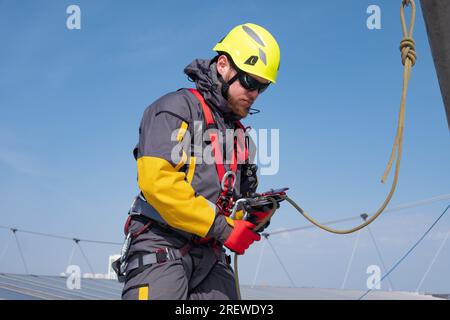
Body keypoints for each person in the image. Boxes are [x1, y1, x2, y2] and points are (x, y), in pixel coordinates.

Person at [117, 22, 281, 300]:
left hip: (210, 253)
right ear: (223, 65)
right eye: (249, 81)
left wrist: (253, 217)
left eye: (262, 88)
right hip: (161, 241)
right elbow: (158, 183)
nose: (253, 93)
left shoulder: (243, 140)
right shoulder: (175, 109)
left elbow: (234, 207)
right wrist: (223, 229)